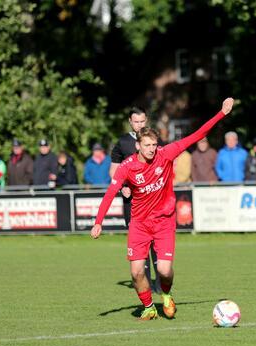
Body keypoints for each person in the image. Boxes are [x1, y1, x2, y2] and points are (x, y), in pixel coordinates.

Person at [90, 97, 234, 320]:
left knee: (165, 271)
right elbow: (110, 193)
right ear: (138, 145)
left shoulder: (165, 154)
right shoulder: (127, 167)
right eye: (147, 145)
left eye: (154, 145)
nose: (151, 149)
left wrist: (221, 114)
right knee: (136, 272)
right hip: (139, 224)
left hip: (164, 222)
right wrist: (98, 221)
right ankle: (148, 307)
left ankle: (166, 295)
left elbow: (197, 135)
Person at [110, 107, 160, 293]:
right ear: (130, 122)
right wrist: (123, 186)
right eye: (136, 122)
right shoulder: (122, 143)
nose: (140, 125)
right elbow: (114, 171)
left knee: (156, 240)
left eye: (142, 121)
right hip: (132, 203)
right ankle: (146, 282)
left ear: (146, 120)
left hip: (153, 200)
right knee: (141, 242)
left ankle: (159, 281)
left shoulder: (153, 139)